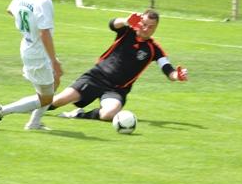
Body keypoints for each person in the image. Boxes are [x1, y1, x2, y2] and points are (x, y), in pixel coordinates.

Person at [51, 9, 187, 122]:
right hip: (95, 78)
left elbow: (168, 69)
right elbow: (112, 24)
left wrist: (177, 75)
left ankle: (79, 115)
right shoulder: (127, 31)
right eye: (144, 24)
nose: (146, 28)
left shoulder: (154, 49)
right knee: (58, 100)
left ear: (155, 28)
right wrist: (126, 20)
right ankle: (37, 110)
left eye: (151, 27)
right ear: (140, 21)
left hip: (117, 90)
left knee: (108, 114)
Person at [0, 0, 63, 131]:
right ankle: (2, 111)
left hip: (29, 48)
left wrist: (25, 23)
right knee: (46, 98)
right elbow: (44, 33)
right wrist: (54, 61)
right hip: (38, 54)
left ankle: (34, 122)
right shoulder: (43, 2)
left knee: (55, 80)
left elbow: (10, 10)